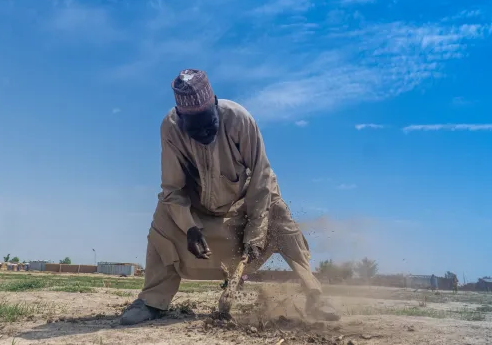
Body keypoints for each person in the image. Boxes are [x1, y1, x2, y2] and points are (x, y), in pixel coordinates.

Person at [120, 69, 339, 325]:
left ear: (215, 105)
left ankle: (315, 295)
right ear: (180, 119)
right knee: (163, 215)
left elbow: (261, 176)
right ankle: (152, 301)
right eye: (195, 129)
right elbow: (173, 189)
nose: (204, 134)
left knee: (280, 213)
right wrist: (190, 227)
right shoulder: (170, 129)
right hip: (199, 208)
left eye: (208, 124)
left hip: (244, 207)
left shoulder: (239, 118)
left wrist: (256, 232)